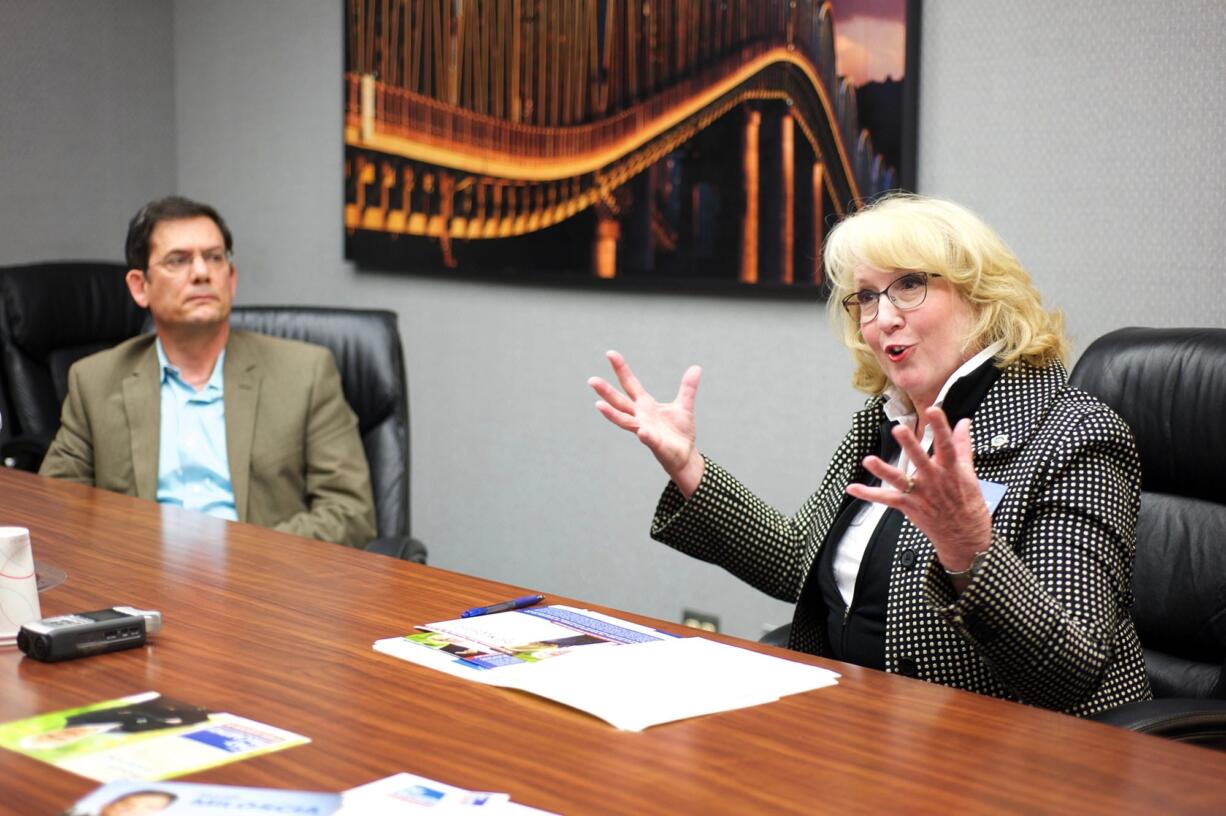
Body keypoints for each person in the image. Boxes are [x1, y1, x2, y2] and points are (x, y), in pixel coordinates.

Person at [589, 193, 1151, 716]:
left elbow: (1070, 670)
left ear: (982, 298)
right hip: (862, 725)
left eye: (909, 285)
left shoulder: (1075, 433)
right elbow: (796, 561)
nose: (883, 318)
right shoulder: (886, 420)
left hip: (1016, 755)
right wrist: (688, 465)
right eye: (866, 296)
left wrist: (969, 551)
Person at [40, 196, 376, 548]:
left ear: (230, 279)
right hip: (138, 585)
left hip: (263, 583)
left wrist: (236, 555)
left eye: (214, 258)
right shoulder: (95, 381)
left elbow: (349, 513)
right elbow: (56, 507)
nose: (201, 272)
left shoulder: (306, 373)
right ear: (140, 287)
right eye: (178, 260)